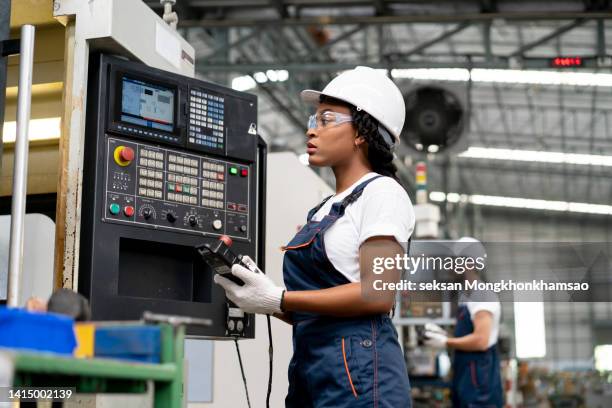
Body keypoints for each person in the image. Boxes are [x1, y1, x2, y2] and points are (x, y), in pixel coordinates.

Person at [214, 66, 415, 407]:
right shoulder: (322, 209)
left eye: (326, 120)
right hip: (313, 370)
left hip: (362, 376)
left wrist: (281, 298)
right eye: (313, 121)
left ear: (361, 133)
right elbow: (312, 310)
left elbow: (377, 294)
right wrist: (261, 295)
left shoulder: (382, 193)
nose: (312, 131)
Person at [423, 237, 504, 408]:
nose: (450, 266)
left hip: (479, 377)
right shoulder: (466, 296)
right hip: (466, 373)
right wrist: (442, 334)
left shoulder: (481, 295)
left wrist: (446, 341)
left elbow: (481, 341)